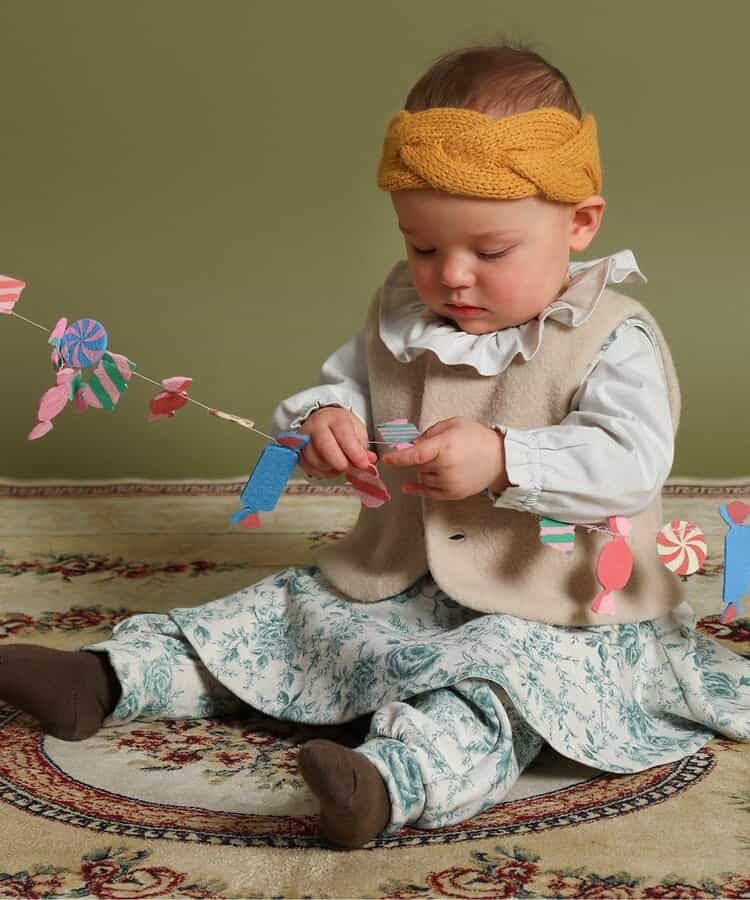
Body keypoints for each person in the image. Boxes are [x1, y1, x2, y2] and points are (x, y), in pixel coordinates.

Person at [2, 40, 749, 851]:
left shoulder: (609, 336)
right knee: (282, 615)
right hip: (400, 575)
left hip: (558, 603)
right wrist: (329, 420)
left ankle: (390, 781)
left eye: (489, 252)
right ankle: (107, 678)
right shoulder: (405, 315)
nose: (451, 275)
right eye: (423, 247)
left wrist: (507, 458)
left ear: (579, 223)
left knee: (495, 679)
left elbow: (632, 462)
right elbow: (351, 383)